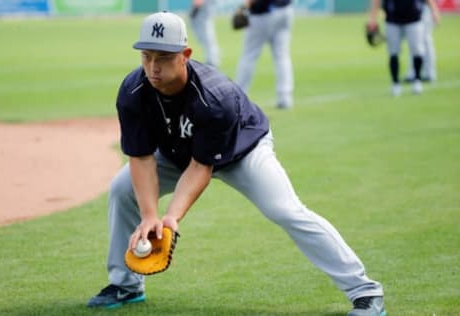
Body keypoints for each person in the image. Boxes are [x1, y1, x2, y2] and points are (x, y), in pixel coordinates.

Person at [87, 11, 386, 316]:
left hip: (243, 150)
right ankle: (126, 284)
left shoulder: (216, 98)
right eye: (146, 56)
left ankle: (365, 291)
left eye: (163, 57)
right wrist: (150, 215)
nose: (153, 67)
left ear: (185, 55)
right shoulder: (133, 92)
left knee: (285, 210)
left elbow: (201, 167)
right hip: (177, 152)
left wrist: (170, 219)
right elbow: (140, 157)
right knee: (122, 189)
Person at [368, 0, 440, 97]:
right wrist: (372, 18)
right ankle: (395, 84)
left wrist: (434, 11)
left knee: (417, 50)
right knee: (393, 52)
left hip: (414, 18)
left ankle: (417, 81)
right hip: (392, 19)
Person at [235, 0, 294, 109]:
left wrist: (244, 6)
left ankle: (239, 96)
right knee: (282, 56)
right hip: (285, 9)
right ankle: (285, 97)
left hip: (262, 13)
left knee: (249, 56)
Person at [404, 1, 440, 82]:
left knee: (425, 40)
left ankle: (429, 73)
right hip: (413, 8)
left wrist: (434, 10)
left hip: (424, 9)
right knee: (414, 42)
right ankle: (414, 72)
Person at [189, 0, 220, 67]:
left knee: (207, 39)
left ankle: (212, 62)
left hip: (202, 14)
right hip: (205, 13)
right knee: (207, 39)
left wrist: (195, 8)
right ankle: (212, 60)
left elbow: (198, 2)